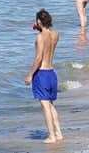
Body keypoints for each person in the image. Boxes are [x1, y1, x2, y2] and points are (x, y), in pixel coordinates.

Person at [25, 9, 62, 143]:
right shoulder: (56, 34)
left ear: (39, 21)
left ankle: (51, 136)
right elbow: (48, 39)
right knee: (51, 105)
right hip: (52, 73)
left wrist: (30, 75)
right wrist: (40, 28)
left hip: (42, 73)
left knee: (45, 106)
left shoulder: (40, 37)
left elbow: (38, 58)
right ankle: (58, 133)